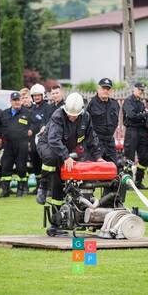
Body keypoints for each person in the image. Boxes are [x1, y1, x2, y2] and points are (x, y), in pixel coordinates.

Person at [36, 92, 103, 235]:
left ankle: (59, 222)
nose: (72, 117)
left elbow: (92, 138)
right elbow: (54, 139)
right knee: (53, 160)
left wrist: (98, 157)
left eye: (75, 115)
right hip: (47, 145)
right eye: (70, 114)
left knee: (61, 182)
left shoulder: (86, 118)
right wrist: (66, 157)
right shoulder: (58, 115)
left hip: (64, 149)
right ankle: (43, 185)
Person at [0, 92, 33, 197]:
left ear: (21, 101)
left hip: (22, 144)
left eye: (18, 100)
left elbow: (35, 124)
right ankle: (5, 190)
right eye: (14, 100)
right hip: (8, 144)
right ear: (11, 101)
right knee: (6, 166)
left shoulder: (27, 113)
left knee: (21, 167)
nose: (16, 102)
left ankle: (21, 190)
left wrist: (31, 130)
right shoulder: (4, 113)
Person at [122, 82, 148, 189]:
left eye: (142, 90)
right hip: (131, 130)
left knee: (144, 157)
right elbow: (131, 116)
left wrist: (142, 116)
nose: (141, 92)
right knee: (129, 157)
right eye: (139, 89)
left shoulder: (141, 103)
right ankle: (127, 183)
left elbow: (142, 117)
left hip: (141, 131)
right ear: (134, 89)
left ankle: (138, 181)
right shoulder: (128, 101)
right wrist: (143, 115)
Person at [86, 78, 120, 165]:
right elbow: (86, 124)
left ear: (111, 90)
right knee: (95, 169)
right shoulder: (91, 104)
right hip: (96, 142)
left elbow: (116, 122)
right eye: (103, 88)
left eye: (108, 89)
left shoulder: (115, 104)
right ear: (98, 89)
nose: (105, 91)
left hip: (109, 141)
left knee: (113, 168)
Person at [29, 83, 52, 194]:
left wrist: (43, 127)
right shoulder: (32, 109)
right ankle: (38, 186)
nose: (36, 97)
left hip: (44, 140)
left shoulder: (47, 108)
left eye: (38, 95)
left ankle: (46, 186)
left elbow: (49, 122)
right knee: (35, 162)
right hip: (33, 140)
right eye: (34, 95)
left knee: (45, 162)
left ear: (42, 95)